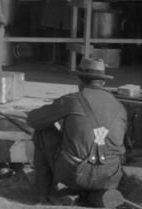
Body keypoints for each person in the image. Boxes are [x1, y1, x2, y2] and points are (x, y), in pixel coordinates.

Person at [27, 57, 127, 206]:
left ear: (79, 80)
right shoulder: (120, 107)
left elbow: (34, 120)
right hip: (110, 176)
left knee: (42, 133)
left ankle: (44, 195)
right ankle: (93, 195)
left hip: (74, 174)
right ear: (104, 82)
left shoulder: (71, 100)